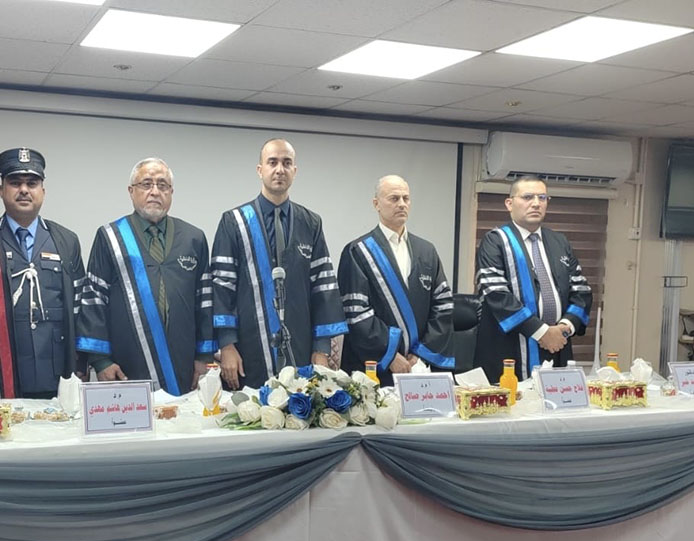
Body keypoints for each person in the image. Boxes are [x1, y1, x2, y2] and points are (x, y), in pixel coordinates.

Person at [211, 138, 347, 389]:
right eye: (272, 162)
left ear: (294, 170)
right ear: (260, 169)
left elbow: (323, 288)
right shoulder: (234, 222)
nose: (279, 169)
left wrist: (321, 349)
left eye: (286, 163)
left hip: (301, 346)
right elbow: (222, 287)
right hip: (248, 349)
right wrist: (227, 345)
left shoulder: (311, 223)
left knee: (300, 406)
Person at [0, 148, 85, 399]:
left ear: (43, 191)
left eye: (32, 183)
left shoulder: (67, 240)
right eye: (15, 183)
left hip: (56, 368)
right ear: (1, 190)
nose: (24, 189)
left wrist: (82, 361)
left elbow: (80, 305)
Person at [76, 158, 216, 395]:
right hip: (125, 366)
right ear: (131, 191)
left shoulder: (194, 238)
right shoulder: (110, 237)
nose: (155, 192)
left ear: (171, 193)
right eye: (146, 184)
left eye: (162, 185)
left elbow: (205, 302)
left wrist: (204, 357)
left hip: (183, 364)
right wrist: (101, 361)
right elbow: (94, 301)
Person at [338, 175, 455, 384]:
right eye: (394, 198)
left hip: (419, 367)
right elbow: (355, 312)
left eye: (406, 198)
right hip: (374, 368)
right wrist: (390, 355)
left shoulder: (427, 251)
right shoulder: (357, 251)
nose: (401, 204)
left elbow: (443, 306)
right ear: (376, 204)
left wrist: (420, 354)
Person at [475, 175, 592, 381]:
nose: (536, 203)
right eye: (528, 197)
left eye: (542, 197)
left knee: (558, 397)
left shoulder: (559, 242)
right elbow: (496, 294)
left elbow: (581, 291)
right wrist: (542, 332)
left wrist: (565, 328)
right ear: (509, 203)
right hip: (511, 347)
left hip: (558, 344)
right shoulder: (495, 242)